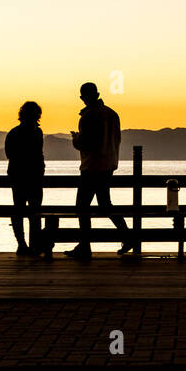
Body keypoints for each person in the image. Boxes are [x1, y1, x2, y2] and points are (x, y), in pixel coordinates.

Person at [64, 81, 138, 259]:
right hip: (108, 165)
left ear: (83, 97)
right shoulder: (112, 114)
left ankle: (85, 246)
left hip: (91, 167)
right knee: (105, 204)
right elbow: (116, 139)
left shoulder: (88, 116)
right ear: (97, 94)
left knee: (82, 207)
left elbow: (85, 144)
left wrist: (76, 138)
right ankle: (127, 237)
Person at [4, 101, 45, 255]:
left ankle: (23, 244)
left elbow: (9, 154)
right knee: (34, 212)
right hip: (32, 177)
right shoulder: (37, 133)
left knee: (20, 210)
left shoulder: (14, 132)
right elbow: (38, 155)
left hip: (19, 176)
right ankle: (31, 245)